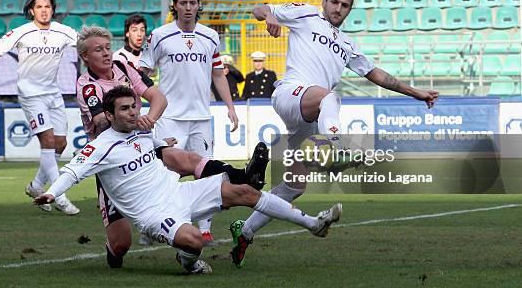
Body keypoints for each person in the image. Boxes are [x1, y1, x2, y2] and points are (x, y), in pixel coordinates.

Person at [228, 0, 440, 268]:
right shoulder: (306, 15)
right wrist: (270, 16)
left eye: (344, 5)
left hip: (311, 115)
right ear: (324, 1)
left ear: (349, 10)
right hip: (291, 93)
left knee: (294, 185)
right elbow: (259, 7)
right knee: (330, 96)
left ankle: (245, 231)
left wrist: (416, 92)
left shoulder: (348, 44)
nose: (338, 8)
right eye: (334, 2)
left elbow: (377, 75)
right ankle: (336, 146)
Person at [35, 85, 342, 274]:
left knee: (244, 191)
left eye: (134, 106)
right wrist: (52, 193)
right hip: (155, 214)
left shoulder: (143, 130)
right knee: (194, 243)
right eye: (125, 109)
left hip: (180, 193)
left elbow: (160, 149)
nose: (132, 113)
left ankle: (313, 224)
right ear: (110, 115)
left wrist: (163, 142)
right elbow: (72, 172)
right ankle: (189, 263)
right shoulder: (100, 146)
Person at [76, 27, 267, 267]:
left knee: (186, 159)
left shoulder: (124, 67)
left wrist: (150, 122)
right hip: (113, 162)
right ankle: (113, 251)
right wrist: (134, 121)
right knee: (121, 244)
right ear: (85, 56)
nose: (106, 53)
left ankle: (244, 176)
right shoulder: (87, 86)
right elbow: (101, 122)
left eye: (107, 47)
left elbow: (159, 98)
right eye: (98, 50)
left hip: (143, 144)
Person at [139, 0, 240, 245]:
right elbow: (143, 72)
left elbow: (218, 75)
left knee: (207, 172)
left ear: (198, 6)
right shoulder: (159, 35)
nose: (187, 7)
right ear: (175, 6)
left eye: (192, 3)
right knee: (166, 175)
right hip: (169, 118)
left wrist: (229, 107)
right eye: (182, 3)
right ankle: (152, 223)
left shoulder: (210, 37)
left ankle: (204, 229)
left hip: (201, 118)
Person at [0, 0, 80, 216]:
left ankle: (36, 186)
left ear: (53, 10)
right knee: (47, 141)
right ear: (31, 11)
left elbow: (87, 46)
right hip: (30, 94)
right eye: (39, 7)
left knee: (60, 144)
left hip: (53, 93)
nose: (44, 10)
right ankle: (59, 196)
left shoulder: (63, 32)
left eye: (47, 6)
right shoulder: (21, 32)